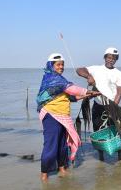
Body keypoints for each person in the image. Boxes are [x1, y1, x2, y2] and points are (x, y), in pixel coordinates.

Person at [36, 53, 100, 181]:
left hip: (63, 116)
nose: (61, 67)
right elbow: (72, 89)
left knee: (62, 144)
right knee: (51, 145)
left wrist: (88, 95)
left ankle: (62, 168)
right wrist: (89, 91)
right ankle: (44, 173)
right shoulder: (51, 78)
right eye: (58, 65)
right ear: (51, 65)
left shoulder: (61, 80)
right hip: (51, 115)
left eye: (62, 65)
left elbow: (72, 97)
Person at [76, 47, 121, 161]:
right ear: (105, 58)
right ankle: (101, 156)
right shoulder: (95, 69)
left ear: (116, 60)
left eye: (114, 58)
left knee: (117, 131)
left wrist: (113, 108)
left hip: (113, 105)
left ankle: (120, 157)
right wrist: (88, 76)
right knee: (98, 131)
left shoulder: (119, 74)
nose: (111, 60)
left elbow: (119, 93)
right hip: (98, 106)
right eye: (109, 57)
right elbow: (79, 70)